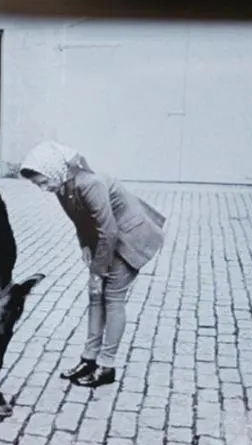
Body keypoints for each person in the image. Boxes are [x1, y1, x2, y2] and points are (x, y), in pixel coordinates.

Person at [19, 140, 166, 388]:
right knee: (95, 296)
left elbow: (108, 230)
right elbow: (80, 220)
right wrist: (85, 246)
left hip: (130, 237)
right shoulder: (62, 185)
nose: (44, 188)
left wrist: (98, 272)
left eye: (43, 182)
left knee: (112, 296)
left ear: (54, 170)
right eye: (39, 185)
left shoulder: (90, 183)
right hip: (108, 238)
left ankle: (106, 366)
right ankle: (89, 359)